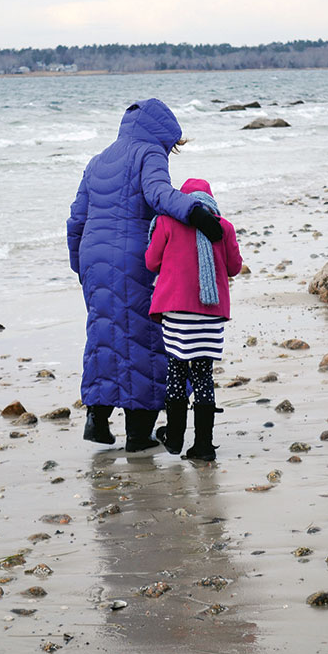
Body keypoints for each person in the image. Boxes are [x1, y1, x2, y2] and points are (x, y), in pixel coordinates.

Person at [67, 99, 223, 451]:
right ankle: (138, 434)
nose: (170, 151)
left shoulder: (97, 160)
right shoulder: (149, 153)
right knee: (148, 339)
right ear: (161, 133)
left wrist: (80, 266)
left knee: (103, 333)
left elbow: (77, 219)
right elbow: (158, 194)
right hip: (133, 257)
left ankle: (97, 417)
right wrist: (195, 212)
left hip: (94, 256)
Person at [145, 177, 242, 460]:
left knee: (176, 370)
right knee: (203, 376)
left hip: (176, 312)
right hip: (210, 315)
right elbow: (234, 268)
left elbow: (151, 262)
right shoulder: (223, 227)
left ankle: (174, 438)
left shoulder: (166, 223)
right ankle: (203, 446)